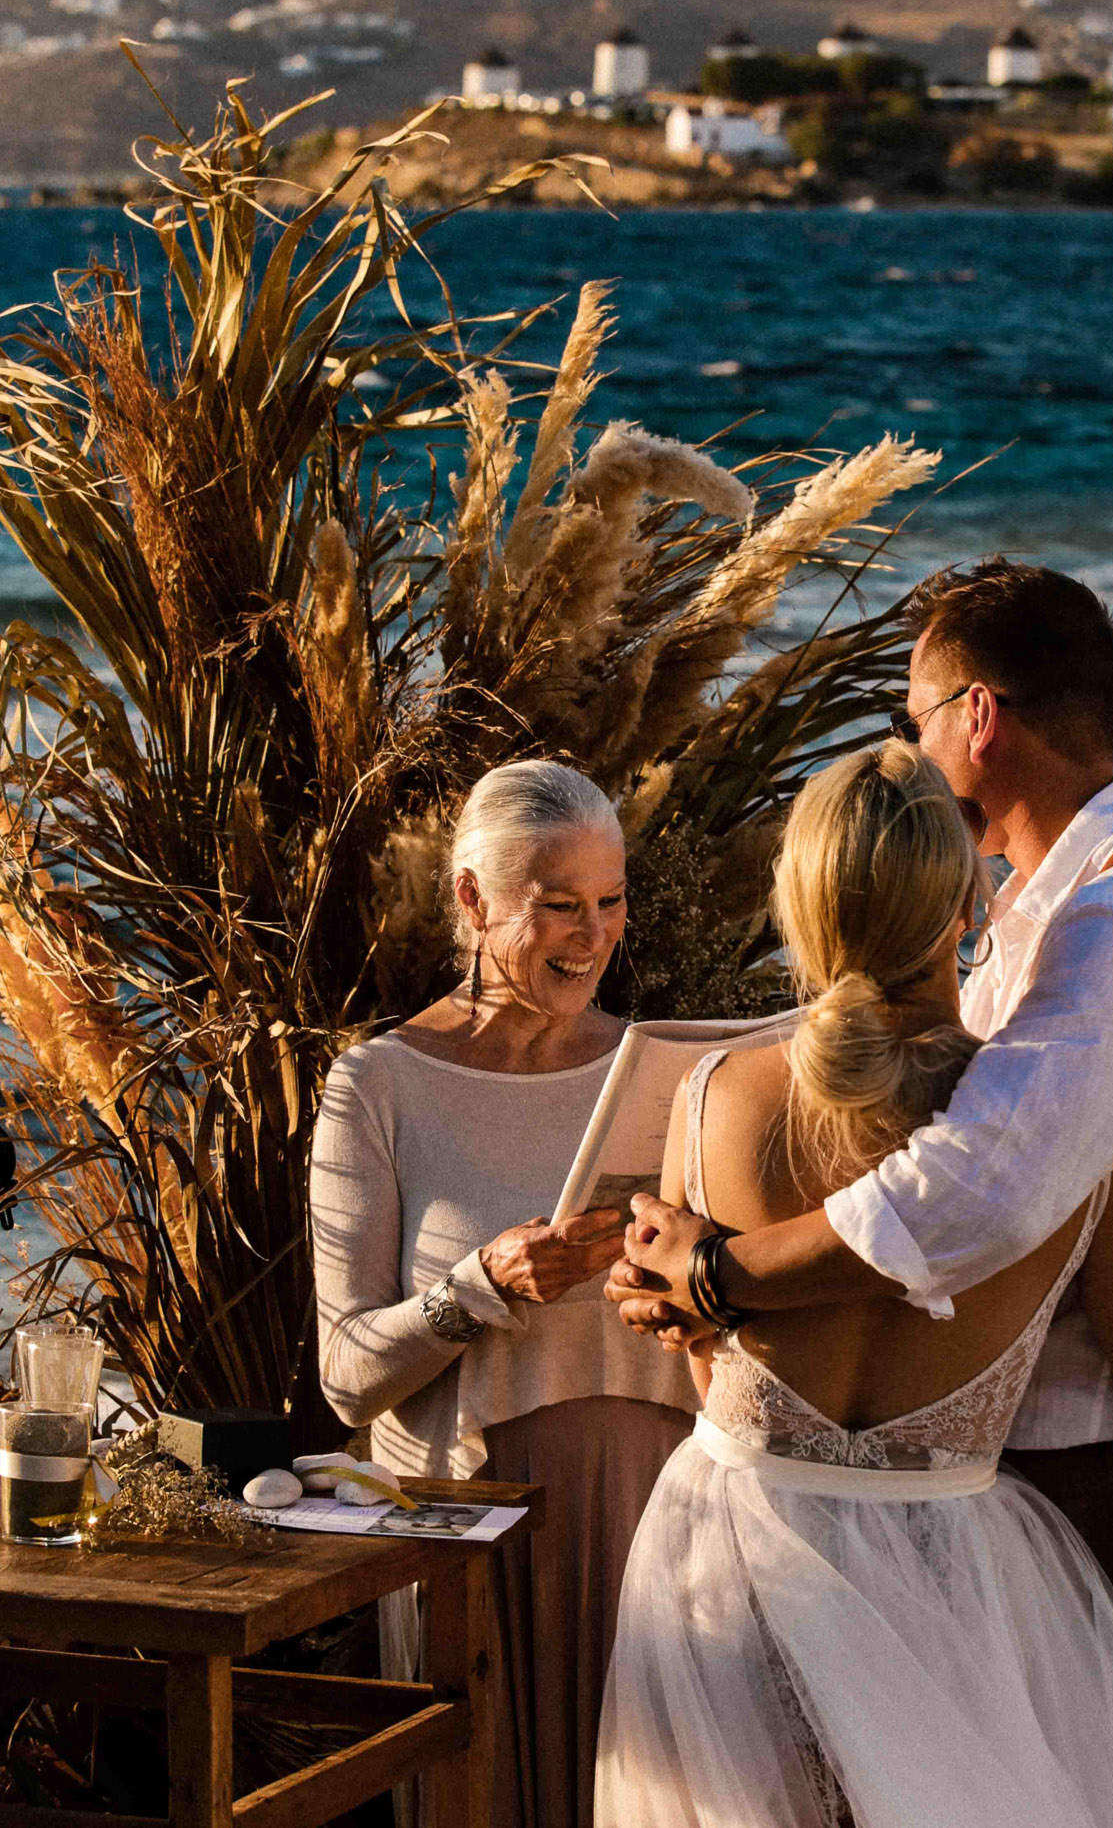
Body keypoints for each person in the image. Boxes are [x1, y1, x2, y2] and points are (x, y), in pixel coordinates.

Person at [610, 557, 1113, 1675]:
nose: (908, 750)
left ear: (977, 716)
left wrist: (720, 1278)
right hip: (1009, 1467)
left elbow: (980, 1187)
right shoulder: (1058, 910)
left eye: (909, 717)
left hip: (1096, 1473)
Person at [311, 761, 695, 1828]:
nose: (594, 934)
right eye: (559, 906)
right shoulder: (380, 1086)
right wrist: (477, 1286)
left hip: (662, 1519)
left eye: (612, 902)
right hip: (468, 1534)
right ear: (474, 901)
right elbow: (346, 1376)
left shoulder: (665, 1071)